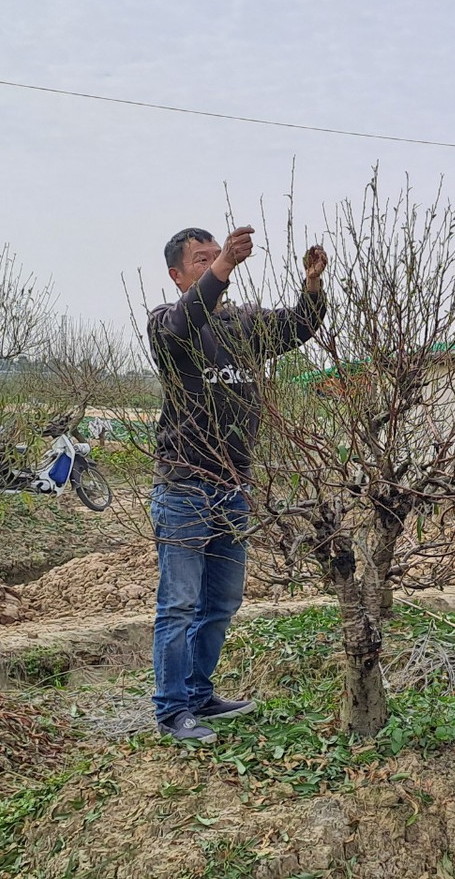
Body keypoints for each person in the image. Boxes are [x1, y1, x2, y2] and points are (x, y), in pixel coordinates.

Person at [149, 225, 328, 743]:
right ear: (177, 274)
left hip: (234, 486)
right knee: (179, 603)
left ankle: (200, 693)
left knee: (221, 602)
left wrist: (311, 286)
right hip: (184, 484)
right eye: (201, 260)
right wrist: (225, 264)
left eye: (218, 257)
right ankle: (171, 710)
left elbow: (298, 327)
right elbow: (187, 320)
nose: (214, 265)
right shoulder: (167, 323)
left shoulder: (243, 325)